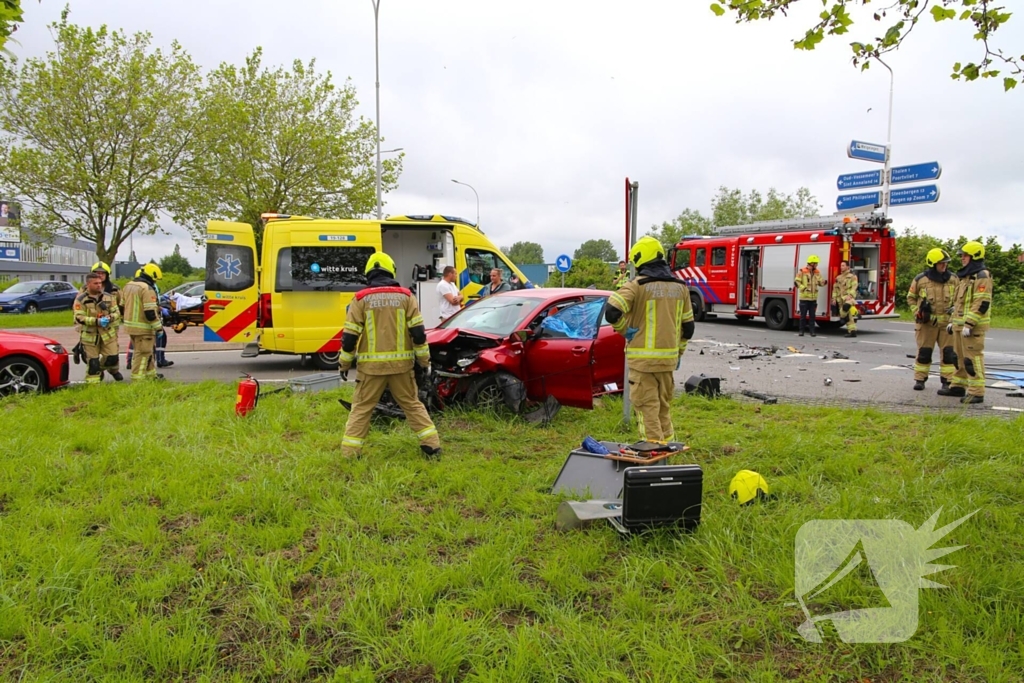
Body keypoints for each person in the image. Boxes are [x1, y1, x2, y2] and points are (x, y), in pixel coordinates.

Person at [339, 252, 441, 459]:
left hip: (370, 370)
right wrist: (424, 362)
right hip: (402, 368)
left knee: (361, 408)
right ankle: (431, 446)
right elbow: (419, 335)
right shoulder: (406, 297)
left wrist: (344, 364)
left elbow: (349, 338)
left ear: (369, 273)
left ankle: (350, 453)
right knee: (412, 404)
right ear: (391, 270)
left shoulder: (360, 299)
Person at [605, 236, 694, 444]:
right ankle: (670, 450)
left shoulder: (637, 285)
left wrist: (624, 330)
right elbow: (688, 328)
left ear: (640, 260)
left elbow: (611, 311)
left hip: (642, 364)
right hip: (668, 363)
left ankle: (655, 457)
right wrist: (679, 352)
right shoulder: (681, 287)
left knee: (647, 412)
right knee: (663, 410)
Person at [941, 241, 992, 404]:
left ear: (974, 256)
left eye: (965, 255)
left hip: (972, 328)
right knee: (958, 358)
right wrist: (952, 321)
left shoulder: (982, 276)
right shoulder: (965, 276)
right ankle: (958, 386)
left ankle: (977, 392)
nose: (962, 258)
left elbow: (982, 302)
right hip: (959, 326)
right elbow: (959, 303)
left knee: (972, 359)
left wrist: (969, 323)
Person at [907, 248, 958, 392]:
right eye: (941, 263)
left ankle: (947, 382)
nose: (944, 266)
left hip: (947, 324)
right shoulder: (920, 280)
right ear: (933, 263)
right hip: (927, 324)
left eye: (946, 263)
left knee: (949, 354)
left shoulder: (953, 279)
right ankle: (920, 380)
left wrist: (956, 311)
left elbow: (961, 298)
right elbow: (910, 297)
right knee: (924, 353)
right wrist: (917, 312)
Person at [73, 272, 123, 383]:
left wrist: (110, 318)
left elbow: (117, 312)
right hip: (90, 336)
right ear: (88, 284)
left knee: (112, 357)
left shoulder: (109, 297)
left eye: (100, 283)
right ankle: (93, 385)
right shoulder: (80, 300)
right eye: (95, 283)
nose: (99, 285)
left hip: (107, 334)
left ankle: (107, 370)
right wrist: (97, 321)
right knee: (93, 363)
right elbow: (79, 317)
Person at [121, 263, 165, 381]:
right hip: (144, 328)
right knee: (143, 354)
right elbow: (150, 313)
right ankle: (138, 379)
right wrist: (158, 328)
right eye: (155, 280)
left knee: (147, 351)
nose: (155, 283)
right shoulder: (147, 289)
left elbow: (122, 306)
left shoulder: (128, 285)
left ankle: (151, 375)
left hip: (131, 327)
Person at [795, 255, 826, 337]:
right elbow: (797, 282)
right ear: (811, 263)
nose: (817, 265)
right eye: (816, 263)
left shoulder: (817, 272)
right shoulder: (802, 271)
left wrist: (823, 282)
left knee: (812, 316)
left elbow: (820, 282)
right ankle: (801, 331)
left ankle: (812, 331)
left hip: (813, 298)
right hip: (804, 298)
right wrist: (804, 288)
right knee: (803, 316)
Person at [832, 260, 859, 338]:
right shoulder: (838, 278)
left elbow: (854, 286)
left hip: (848, 299)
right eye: (841, 265)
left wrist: (850, 295)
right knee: (848, 316)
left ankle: (843, 319)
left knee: (845, 309)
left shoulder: (852, 277)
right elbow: (835, 289)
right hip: (840, 299)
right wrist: (834, 298)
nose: (841, 267)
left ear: (847, 267)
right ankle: (852, 331)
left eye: (843, 265)